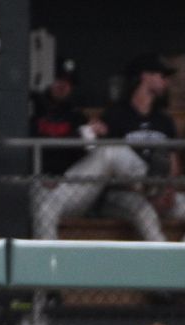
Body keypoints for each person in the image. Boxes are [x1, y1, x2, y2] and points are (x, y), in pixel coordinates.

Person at [100, 53, 185, 242]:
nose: (165, 81)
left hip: (159, 192)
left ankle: (180, 261)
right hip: (122, 194)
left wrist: (168, 190)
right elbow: (109, 167)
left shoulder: (163, 120)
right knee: (145, 212)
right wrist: (146, 192)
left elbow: (173, 164)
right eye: (161, 75)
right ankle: (165, 263)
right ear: (145, 76)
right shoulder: (116, 114)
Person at [28, 57, 125, 240]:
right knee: (45, 208)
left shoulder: (76, 116)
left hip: (68, 187)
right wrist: (79, 136)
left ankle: (149, 183)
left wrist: (98, 134)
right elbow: (32, 146)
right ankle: (49, 264)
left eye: (69, 82)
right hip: (38, 185)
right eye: (59, 79)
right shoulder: (32, 109)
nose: (63, 86)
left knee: (109, 150)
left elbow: (86, 155)